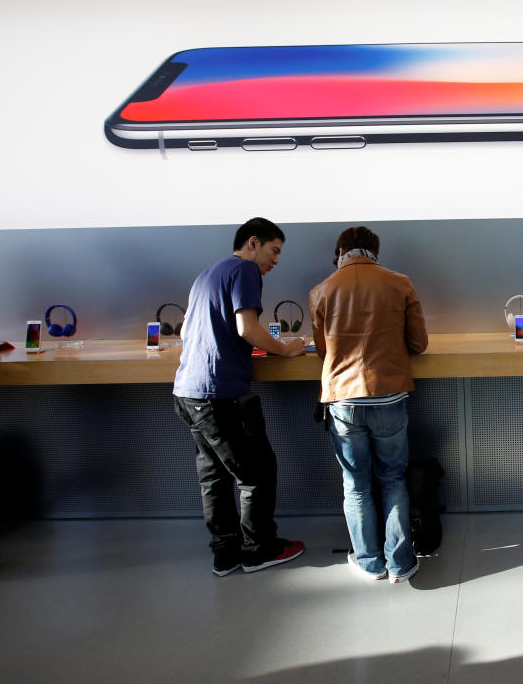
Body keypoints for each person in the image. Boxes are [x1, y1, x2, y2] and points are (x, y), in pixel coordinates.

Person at [173, 217, 306, 577]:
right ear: (252, 243)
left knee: (214, 477)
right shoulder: (246, 271)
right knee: (256, 473)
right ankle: (258, 549)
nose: (276, 260)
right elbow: (246, 328)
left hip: (187, 391)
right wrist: (285, 349)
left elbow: (188, 329)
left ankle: (225, 554)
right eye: (274, 251)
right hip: (220, 393)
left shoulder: (207, 274)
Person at [309, 226, 428, 583]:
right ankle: (401, 564)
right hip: (388, 395)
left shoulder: (321, 291)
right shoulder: (399, 283)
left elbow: (322, 351)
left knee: (355, 484)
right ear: (375, 249)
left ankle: (370, 562)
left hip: (343, 400)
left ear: (342, 249)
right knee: (393, 479)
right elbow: (419, 344)